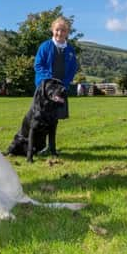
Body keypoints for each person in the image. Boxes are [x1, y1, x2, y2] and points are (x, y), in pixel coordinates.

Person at [33, 16, 78, 154]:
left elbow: (73, 68)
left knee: (54, 119)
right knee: (41, 118)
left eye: (63, 30)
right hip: (46, 90)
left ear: (67, 32)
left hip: (60, 90)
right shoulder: (45, 46)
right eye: (57, 30)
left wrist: (64, 83)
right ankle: (36, 145)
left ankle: (51, 147)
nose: (60, 33)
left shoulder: (70, 49)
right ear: (53, 30)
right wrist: (50, 81)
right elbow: (38, 65)